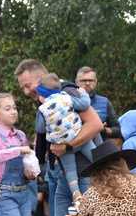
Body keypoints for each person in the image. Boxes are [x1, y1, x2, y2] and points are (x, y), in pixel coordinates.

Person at [16, 59, 103, 216]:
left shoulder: (68, 92)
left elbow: (95, 124)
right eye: (22, 87)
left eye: (27, 85)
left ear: (40, 78)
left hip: (85, 172)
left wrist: (67, 145)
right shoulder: (45, 102)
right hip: (59, 175)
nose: (26, 91)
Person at [36, 72, 94, 203]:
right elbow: (84, 104)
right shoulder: (66, 98)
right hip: (79, 136)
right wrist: (83, 92)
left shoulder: (42, 109)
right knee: (95, 156)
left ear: (41, 96)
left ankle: (76, 193)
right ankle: (109, 175)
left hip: (61, 144)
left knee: (70, 171)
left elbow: (40, 129)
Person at [75, 66, 120, 141]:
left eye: (90, 80)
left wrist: (104, 130)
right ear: (76, 82)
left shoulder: (104, 102)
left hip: (99, 149)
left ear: (96, 82)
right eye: (83, 80)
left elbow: (118, 130)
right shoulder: (68, 101)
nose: (87, 83)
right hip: (75, 147)